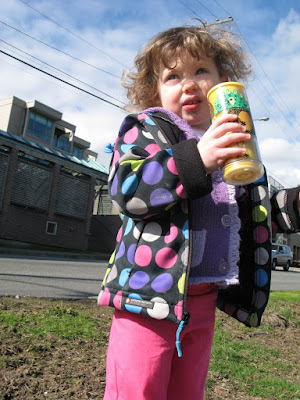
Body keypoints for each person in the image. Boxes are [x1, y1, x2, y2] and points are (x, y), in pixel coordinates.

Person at [98, 24, 300, 400]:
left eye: (200, 71)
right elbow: (128, 189)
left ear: (224, 82)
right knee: (136, 391)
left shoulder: (236, 146)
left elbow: (251, 220)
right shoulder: (148, 130)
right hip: (147, 298)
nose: (188, 84)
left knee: (187, 392)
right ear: (153, 91)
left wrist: (292, 206)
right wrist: (198, 159)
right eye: (172, 76)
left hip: (202, 302)